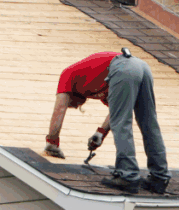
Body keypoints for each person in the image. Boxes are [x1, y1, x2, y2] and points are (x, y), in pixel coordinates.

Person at [44, 50, 171, 194]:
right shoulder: (95, 84)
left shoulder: (68, 75)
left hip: (122, 67)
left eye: (72, 105)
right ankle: (159, 177)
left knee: (121, 123)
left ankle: (127, 175)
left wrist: (52, 143)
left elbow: (59, 109)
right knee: (149, 122)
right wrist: (100, 133)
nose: (74, 106)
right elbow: (114, 112)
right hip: (141, 66)